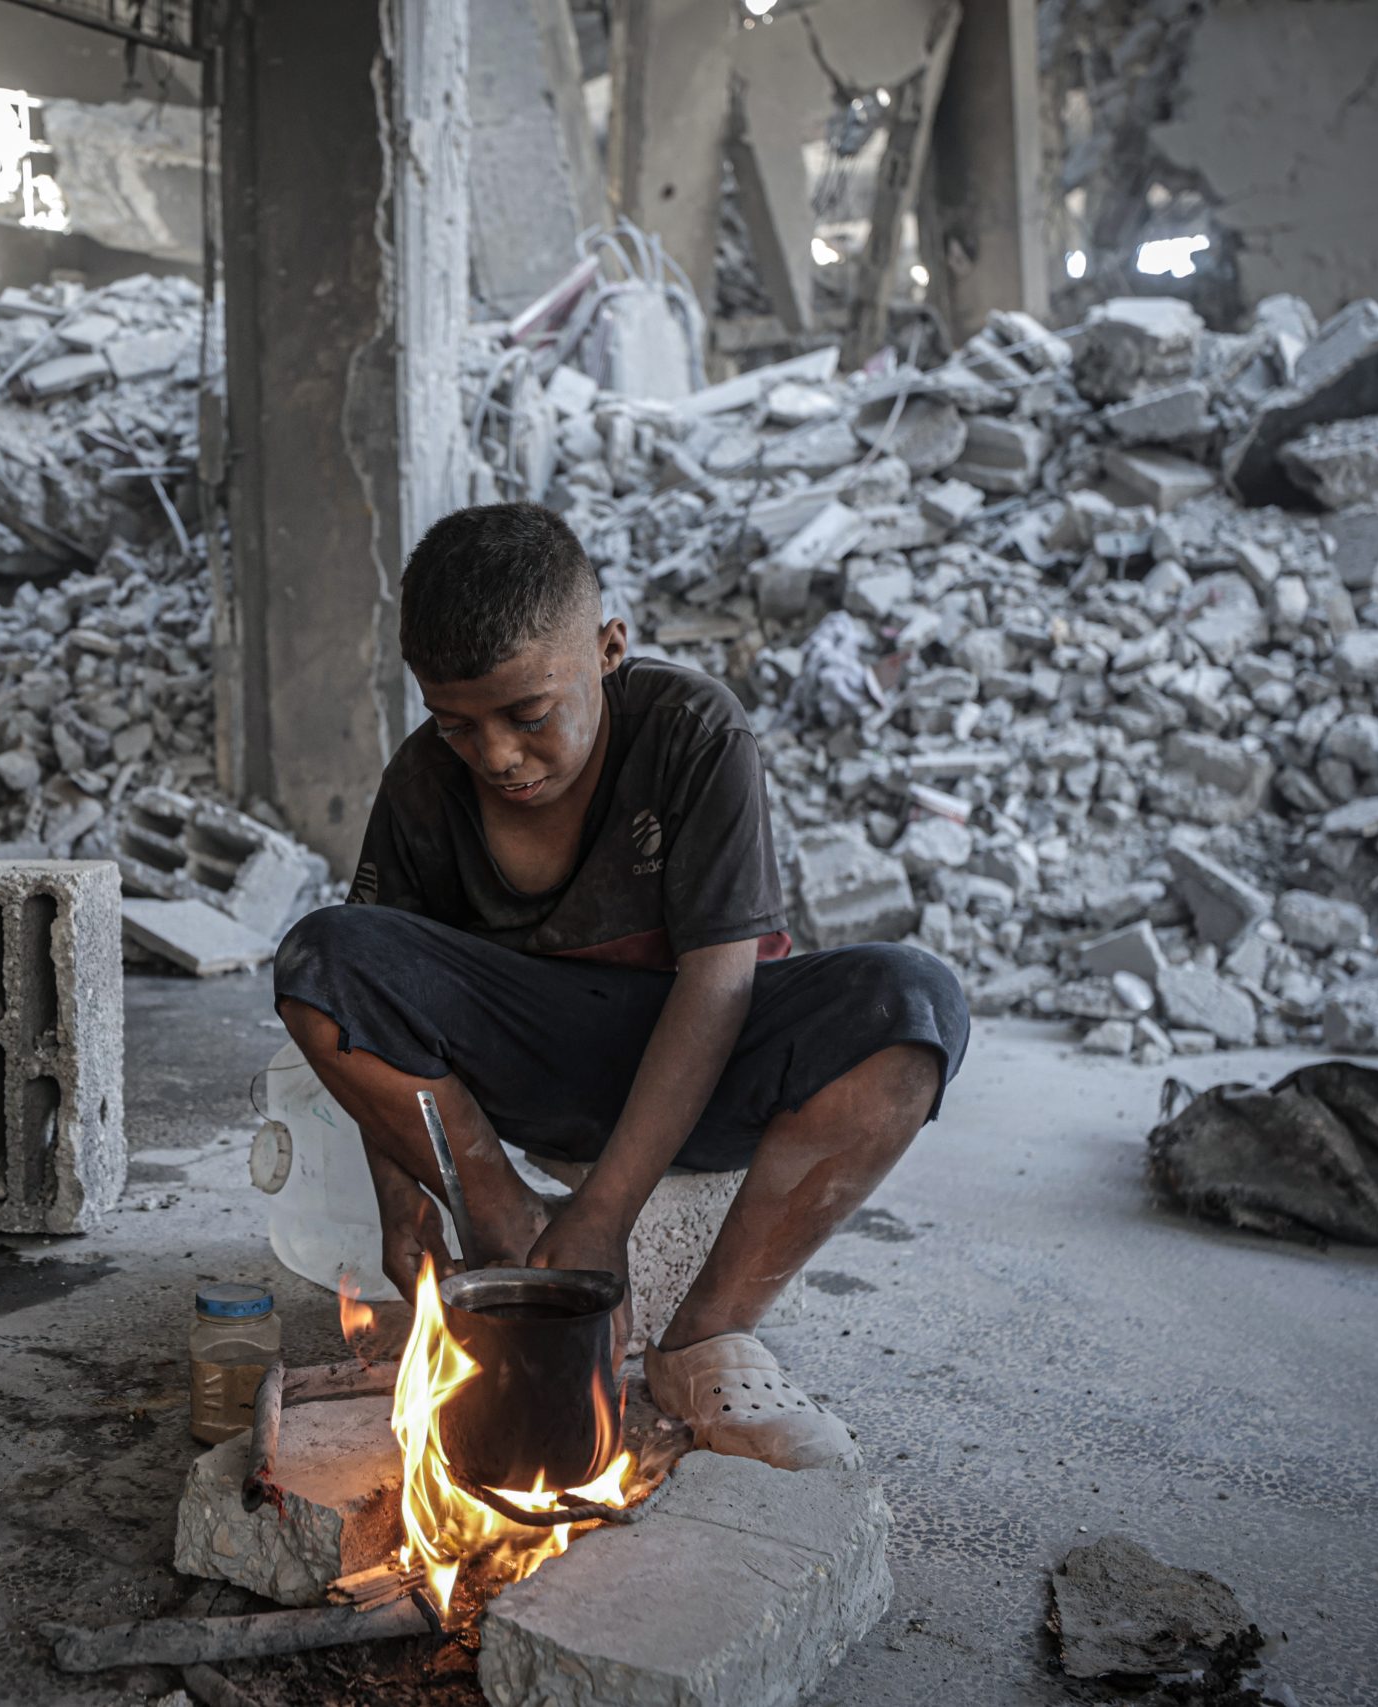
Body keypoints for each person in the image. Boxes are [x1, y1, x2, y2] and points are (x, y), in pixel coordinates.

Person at [273, 502, 970, 1471]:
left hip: (703, 1060)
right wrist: (409, 1205)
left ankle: (704, 1341)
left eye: (527, 715)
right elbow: (372, 995)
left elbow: (719, 989)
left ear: (608, 648)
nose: (497, 755)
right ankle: (515, 1229)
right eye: (457, 723)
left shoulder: (692, 733)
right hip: (523, 1068)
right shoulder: (425, 783)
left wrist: (602, 1216)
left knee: (911, 1005)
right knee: (321, 958)